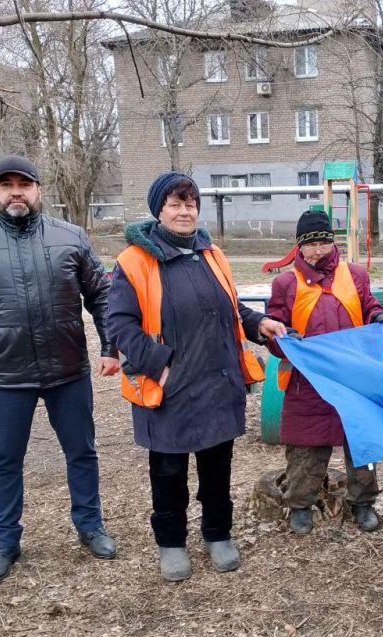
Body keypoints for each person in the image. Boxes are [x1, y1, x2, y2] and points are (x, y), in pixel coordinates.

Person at [0, 155, 120, 585]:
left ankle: (90, 526)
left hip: (68, 370)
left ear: (39, 190)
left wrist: (111, 347)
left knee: (82, 452)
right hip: (5, 377)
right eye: (6, 185)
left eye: (24, 184)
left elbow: (102, 297)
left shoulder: (70, 237)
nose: (15, 191)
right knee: (4, 460)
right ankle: (4, 542)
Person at [106, 172, 285, 582]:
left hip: (218, 381)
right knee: (168, 472)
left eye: (190, 203)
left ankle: (217, 534)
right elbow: (120, 325)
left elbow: (232, 308)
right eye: (175, 203)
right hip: (170, 388)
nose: (184, 211)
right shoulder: (134, 261)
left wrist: (260, 324)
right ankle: (171, 543)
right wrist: (161, 366)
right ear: (159, 210)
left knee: (217, 467)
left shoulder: (212, 254)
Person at [265, 211, 383, 535]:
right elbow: (273, 326)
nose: (318, 250)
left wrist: (377, 317)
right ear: (299, 248)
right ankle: (300, 505)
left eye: (324, 242)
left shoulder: (356, 275)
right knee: (305, 449)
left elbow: (368, 305)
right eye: (311, 244)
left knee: (361, 444)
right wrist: (284, 339)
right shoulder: (285, 283)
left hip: (353, 379)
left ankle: (363, 502)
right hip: (308, 383)